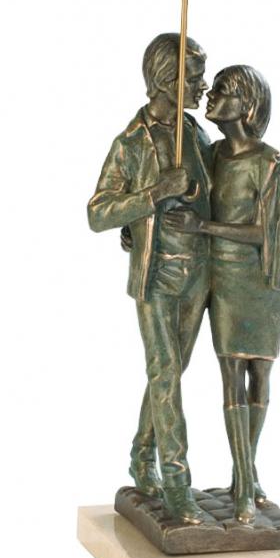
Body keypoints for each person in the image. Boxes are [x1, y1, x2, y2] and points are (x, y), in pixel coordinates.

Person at [87, 33, 212, 524]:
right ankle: (176, 484)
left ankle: (142, 455)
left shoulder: (196, 133)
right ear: (166, 80)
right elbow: (97, 211)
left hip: (200, 272)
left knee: (170, 373)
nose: (202, 85)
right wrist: (154, 196)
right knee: (165, 373)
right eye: (194, 77)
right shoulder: (131, 143)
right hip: (157, 278)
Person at [164, 65, 280, 523]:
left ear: (247, 105)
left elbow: (265, 234)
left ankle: (247, 476)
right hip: (220, 277)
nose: (211, 96)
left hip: (259, 281)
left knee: (260, 375)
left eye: (222, 91)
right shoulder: (211, 154)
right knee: (231, 375)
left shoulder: (272, 165)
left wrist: (204, 226)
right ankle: (243, 487)